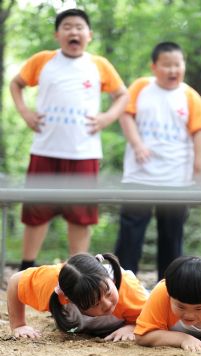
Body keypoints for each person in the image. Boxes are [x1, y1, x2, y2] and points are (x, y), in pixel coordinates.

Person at [10, 8, 128, 271]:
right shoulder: (42, 60)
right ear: (57, 34)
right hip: (45, 148)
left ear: (89, 35)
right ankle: (26, 267)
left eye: (79, 27)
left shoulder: (99, 65)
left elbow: (123, 95)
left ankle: (80, 271)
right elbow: (16, 84)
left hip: (83, 152)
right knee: (35, 214)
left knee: (81, 216)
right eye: (67, 27)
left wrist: (106, 118)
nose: (73, 32)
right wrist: (26, 113)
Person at [115, 41, 201, 281]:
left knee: (172, 234)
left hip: (177, 177)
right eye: (166, 65)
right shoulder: (141, 87)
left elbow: (200, 131)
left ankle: (170, 286)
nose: (173, 70)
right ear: (154, 66)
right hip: (140, 174)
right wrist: (137, 145)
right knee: (131, 232)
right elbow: (125, 115)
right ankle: (122, 283)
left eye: (177, 64)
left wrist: (199, 168)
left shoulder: (190, 95)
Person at [7, 252, 148, 340]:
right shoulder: (51, 283)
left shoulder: (128, 288)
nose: (107, 304)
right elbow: (15, 281)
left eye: (108, 293)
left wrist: (131, 326)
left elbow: (152, 318)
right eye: (95, 304)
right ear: (70, 299)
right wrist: (19, 325)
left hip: (127, 317)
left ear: (111, 280)